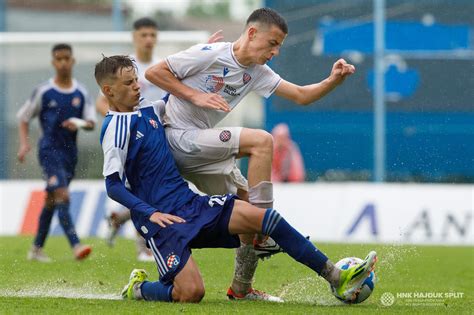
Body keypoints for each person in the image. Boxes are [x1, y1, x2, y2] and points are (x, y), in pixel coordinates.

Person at [95, 55, 376, 303]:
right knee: (191, 293)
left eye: (136, 80)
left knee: (264, 219)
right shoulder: (115, 129)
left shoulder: (150, 110)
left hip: (190, 203)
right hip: (162, 223)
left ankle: (335, 276)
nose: (137, 86)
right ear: (108, 90)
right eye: (129, 83)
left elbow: (177, 94)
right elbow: (113, 186)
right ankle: (140, 288)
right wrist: (150, 213)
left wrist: (206, 56)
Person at [144, 7, 356, 301]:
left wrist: (333, 80)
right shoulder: (211, 53)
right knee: (262, 141)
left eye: (279, 45)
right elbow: (153, 72)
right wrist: (194, 95)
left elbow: (302, 95)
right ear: (252, 33)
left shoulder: (257, 73)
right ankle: (265, 234)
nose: (276, 51)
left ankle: (241, 289)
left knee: (246, 210)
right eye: (273, 43)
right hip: (176, 138)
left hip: (201, 152)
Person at [97, 17, 224, 262]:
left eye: (153, 35)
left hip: (167, 135)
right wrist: (127, 128)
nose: (149, 39)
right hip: (141, 138)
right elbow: (103, 103)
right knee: (144, 187)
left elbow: (171, 94)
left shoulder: (159, 66)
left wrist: (202, 57)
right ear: (134, 37)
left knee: (162, 190)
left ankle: (122, 220)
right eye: (143, 34)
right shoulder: (117, 72)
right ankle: (145, 246)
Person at [17, 43, 96, 262]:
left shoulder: (81, 92)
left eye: (66, 59)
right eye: (58, 59)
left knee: (52, 200)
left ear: (73, 61)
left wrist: (78, 123)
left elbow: (91, 123)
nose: (62, 63)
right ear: (53, 63)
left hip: (70, 154)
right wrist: (24, 144)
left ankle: (36, 249)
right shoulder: (44, 91)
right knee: (62, 194)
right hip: (48, 151)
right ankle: (76, 245)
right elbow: (23, 117)